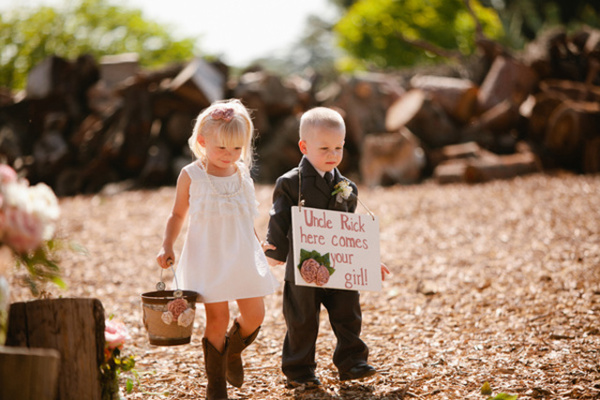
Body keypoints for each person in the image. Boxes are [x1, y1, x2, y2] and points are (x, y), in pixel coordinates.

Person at [156, 99, 278, 400]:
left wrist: (258, 242)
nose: (230, 155)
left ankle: (232, 352)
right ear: (202, 141)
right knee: (217, 319)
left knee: (255, 315)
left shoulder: (241, 175)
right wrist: (167, 243)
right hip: (209, 257)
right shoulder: (191, 175)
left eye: (237, 149)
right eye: (222, 147)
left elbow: (245, 215)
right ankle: (216, 384)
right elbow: (177, 215)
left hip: (241, 254)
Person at [264, 107, 390, 389]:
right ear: (304, 146)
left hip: (342, 264)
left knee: (348, 312)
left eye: (338, 147)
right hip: (303, 264)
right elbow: (279, 217)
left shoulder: (346, 187)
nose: (332, 154)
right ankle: (299, 370)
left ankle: (352, 362)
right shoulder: (290, 183)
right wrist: (274, 250)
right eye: (324, 148)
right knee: (302, 319)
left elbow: (350, 229)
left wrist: (367, 260)